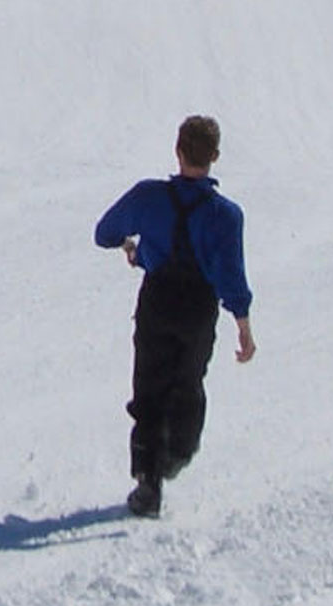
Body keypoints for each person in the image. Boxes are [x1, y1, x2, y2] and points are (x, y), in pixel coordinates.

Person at [95, 114, 256, 517]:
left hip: (157, 300)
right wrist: (243, 326)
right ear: (215, 156)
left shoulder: (149, 196)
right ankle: (178, 453)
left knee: (148, 387)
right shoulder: (227, 215)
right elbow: (230, 274)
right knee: (188, 382)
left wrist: (132, 248)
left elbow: (104, 232)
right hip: (198, 307)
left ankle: (148, 483)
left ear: (177, 150)